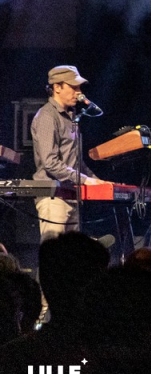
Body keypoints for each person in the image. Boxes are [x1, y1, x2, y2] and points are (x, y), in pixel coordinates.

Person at [31, 65, 107, 243]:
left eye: (79, 87)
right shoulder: (47, 116)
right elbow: (50, 163)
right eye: (74, 87)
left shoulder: (71, 117)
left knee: (71, 255)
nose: (79, 92)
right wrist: (85, 180)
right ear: (57, 87)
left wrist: (98, 181)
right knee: (53, 254)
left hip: (72, 195)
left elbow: (76, 162)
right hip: (54, 196)